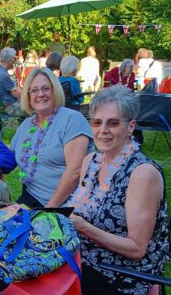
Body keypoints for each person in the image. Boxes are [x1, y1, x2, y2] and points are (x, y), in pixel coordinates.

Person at [67, 84, 169, 294]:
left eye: (113, 123)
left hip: (122, 275)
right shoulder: (91, 161)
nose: (103, 131)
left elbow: (137, 249)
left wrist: (84, 228)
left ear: (131, 127)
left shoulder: (142, 174)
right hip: (84, 259)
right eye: (97, 123)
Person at [11, 67, 92, 208]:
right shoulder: (26, 125)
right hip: (30, 198)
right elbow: (10, 155)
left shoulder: (72, 120)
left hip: (63, 205)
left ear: (55, 91)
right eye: (34, 90)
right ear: (28, 95)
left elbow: (75, 172)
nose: (40, 94)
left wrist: (48, 210)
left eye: (46, 89)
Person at [0, 47, 26, 117]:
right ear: (9, 60)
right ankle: (44, 127)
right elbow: (16, 93)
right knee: (37, 109)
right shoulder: (3, 74)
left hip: (9, 106)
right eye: (14, 59)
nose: (15, 61)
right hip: (10, 109)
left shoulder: (0, 71)